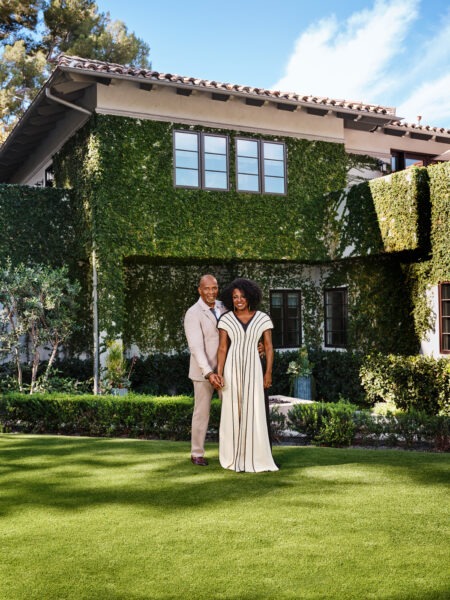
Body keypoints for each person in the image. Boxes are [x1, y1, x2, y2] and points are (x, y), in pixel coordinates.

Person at [216, 278, 278, 473]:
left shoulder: (262, 318)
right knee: (232, 411)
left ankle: (256, 456)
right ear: (231, 299)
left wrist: (268, 373)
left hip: (254, 368)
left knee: (255, 410)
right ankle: (233, 456)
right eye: (235, 297)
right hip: (231, 369)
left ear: (250, 296)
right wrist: (218, 373)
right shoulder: (225, 319)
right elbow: (222, 348)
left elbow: (268, 347)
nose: (239, 300)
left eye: (242, 296)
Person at [184, 274, 225, 466]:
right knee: (202, 413)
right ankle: (197, 453)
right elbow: (196, 347)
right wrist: (209, 373)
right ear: (199, 290)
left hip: (225, 370)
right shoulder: (193, 313)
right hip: (203, 374)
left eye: (214, 288)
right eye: (207, 288)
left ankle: (231, 451)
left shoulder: (223, 307)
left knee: (231, 412)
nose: (211, 292)